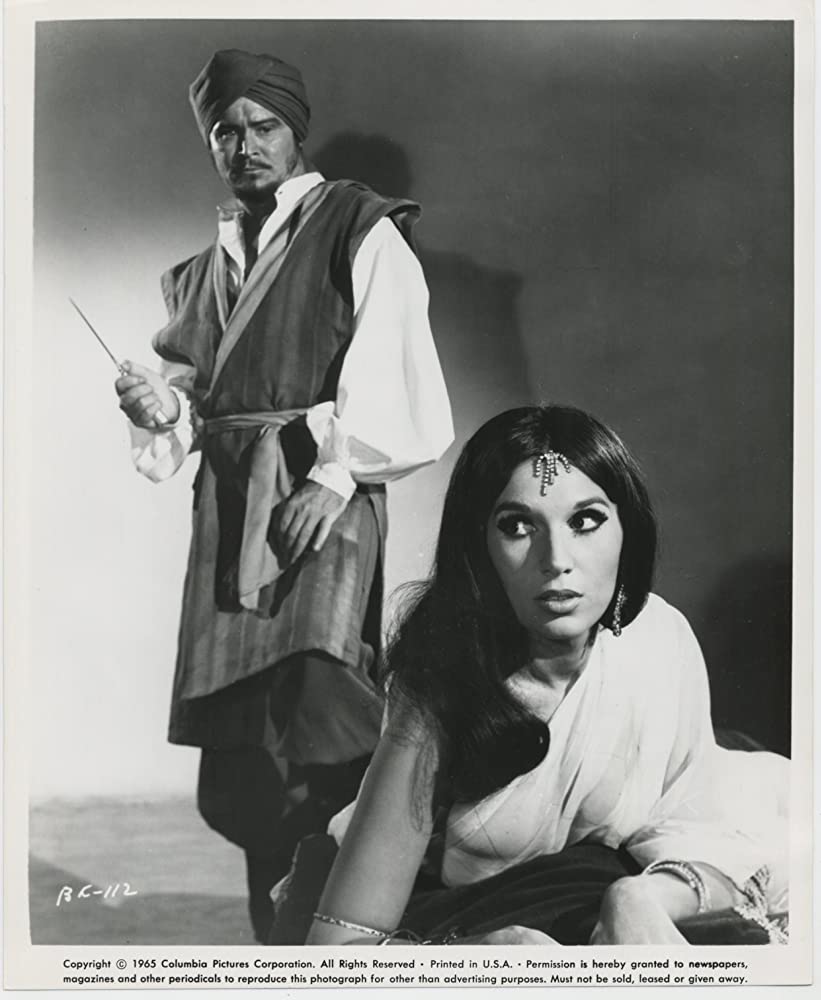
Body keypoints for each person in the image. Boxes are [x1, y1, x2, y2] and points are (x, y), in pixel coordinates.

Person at [114, 48, 453, 942]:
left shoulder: (358, 227)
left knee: (322, 709)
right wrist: (159, 407)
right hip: (229, 515)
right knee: (245, 746)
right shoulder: (199, 272)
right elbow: (189, 400)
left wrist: (333, 478)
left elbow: (393, 370)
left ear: (294, 130)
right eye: (225, 132)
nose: (246, 146)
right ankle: (277, 947)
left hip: (317, 501)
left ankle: (354, 923)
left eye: (262, 126)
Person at [305, 405, 789, 946]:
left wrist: (639, 899)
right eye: (518, 526)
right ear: (479, 545)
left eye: (585, 521)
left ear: (627, 530)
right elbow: (339, 947)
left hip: (608, 888)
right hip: (460, 915)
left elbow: (700, 832)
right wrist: (482, 954)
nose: (556, 559)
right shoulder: (440, 687)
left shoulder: (659, 637)